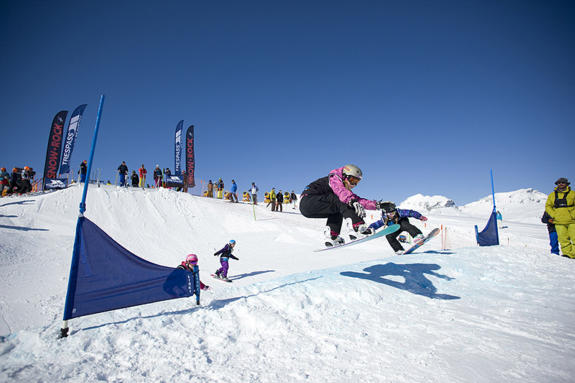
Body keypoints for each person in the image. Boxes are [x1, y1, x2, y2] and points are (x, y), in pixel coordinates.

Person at [299, 164, 379, 247]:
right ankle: (357, 226)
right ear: (345, 176)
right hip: (309, 200)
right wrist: (351, 201)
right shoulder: (335, 178)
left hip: (309, 208)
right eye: (352, 180)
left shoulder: (344, 191)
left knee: (337, 209)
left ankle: (332, 236)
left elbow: (357, 200)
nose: (354, 184)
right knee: (341, 200)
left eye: (356, 182)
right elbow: (341, 192)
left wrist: (377, 205)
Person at [545, 177, 575, 259]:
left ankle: (573, 254)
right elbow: (548, 206)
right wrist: (554, 215)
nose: (561, 184)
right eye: (559, 183)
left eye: (562, 182)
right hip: (559, 221)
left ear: (566, 184)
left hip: (572, 221)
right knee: (563, 240)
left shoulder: (572, 194)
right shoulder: (552, 195)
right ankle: (567, 254)